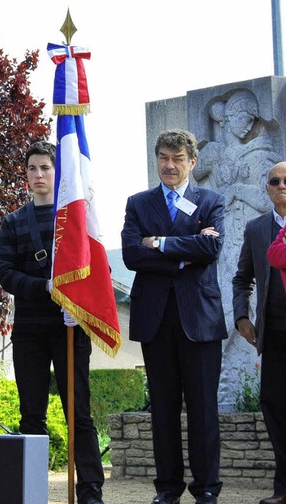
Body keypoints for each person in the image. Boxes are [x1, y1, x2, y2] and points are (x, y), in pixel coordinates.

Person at [121, 129, 227, 504]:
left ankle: (207, 489)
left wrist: (162, 244)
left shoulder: (210, 201)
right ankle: (167, 489)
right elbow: (132, 254)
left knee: (203, 409)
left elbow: (212, 247)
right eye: (164, 157)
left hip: (199, 319)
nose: (170, 165)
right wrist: (186, 252)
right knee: (163, 410)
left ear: (192, 163)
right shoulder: (139, 203)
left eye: (178, 159)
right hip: (156, 319)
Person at [0, 141, 104, 504]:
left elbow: (97, 269)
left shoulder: (77, 219)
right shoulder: (12, 222)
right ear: (25, 175)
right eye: (32, 169)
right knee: (32, 415)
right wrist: (45, 286)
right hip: (29, 329)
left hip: (71, 326)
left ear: (59, 174)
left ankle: (90, 491)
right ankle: (33, 491)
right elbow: (7, 275)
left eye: (46, 168)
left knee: (79, 415)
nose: (39, 175)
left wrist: (80, 301)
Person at [244, 163, 286, 504]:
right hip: (273, 336)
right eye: (275, 180)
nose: (282, 185)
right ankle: (283, 490)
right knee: (274, 406)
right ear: (267, 187)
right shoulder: (257, 229)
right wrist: (242, 315)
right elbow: (242, 277)